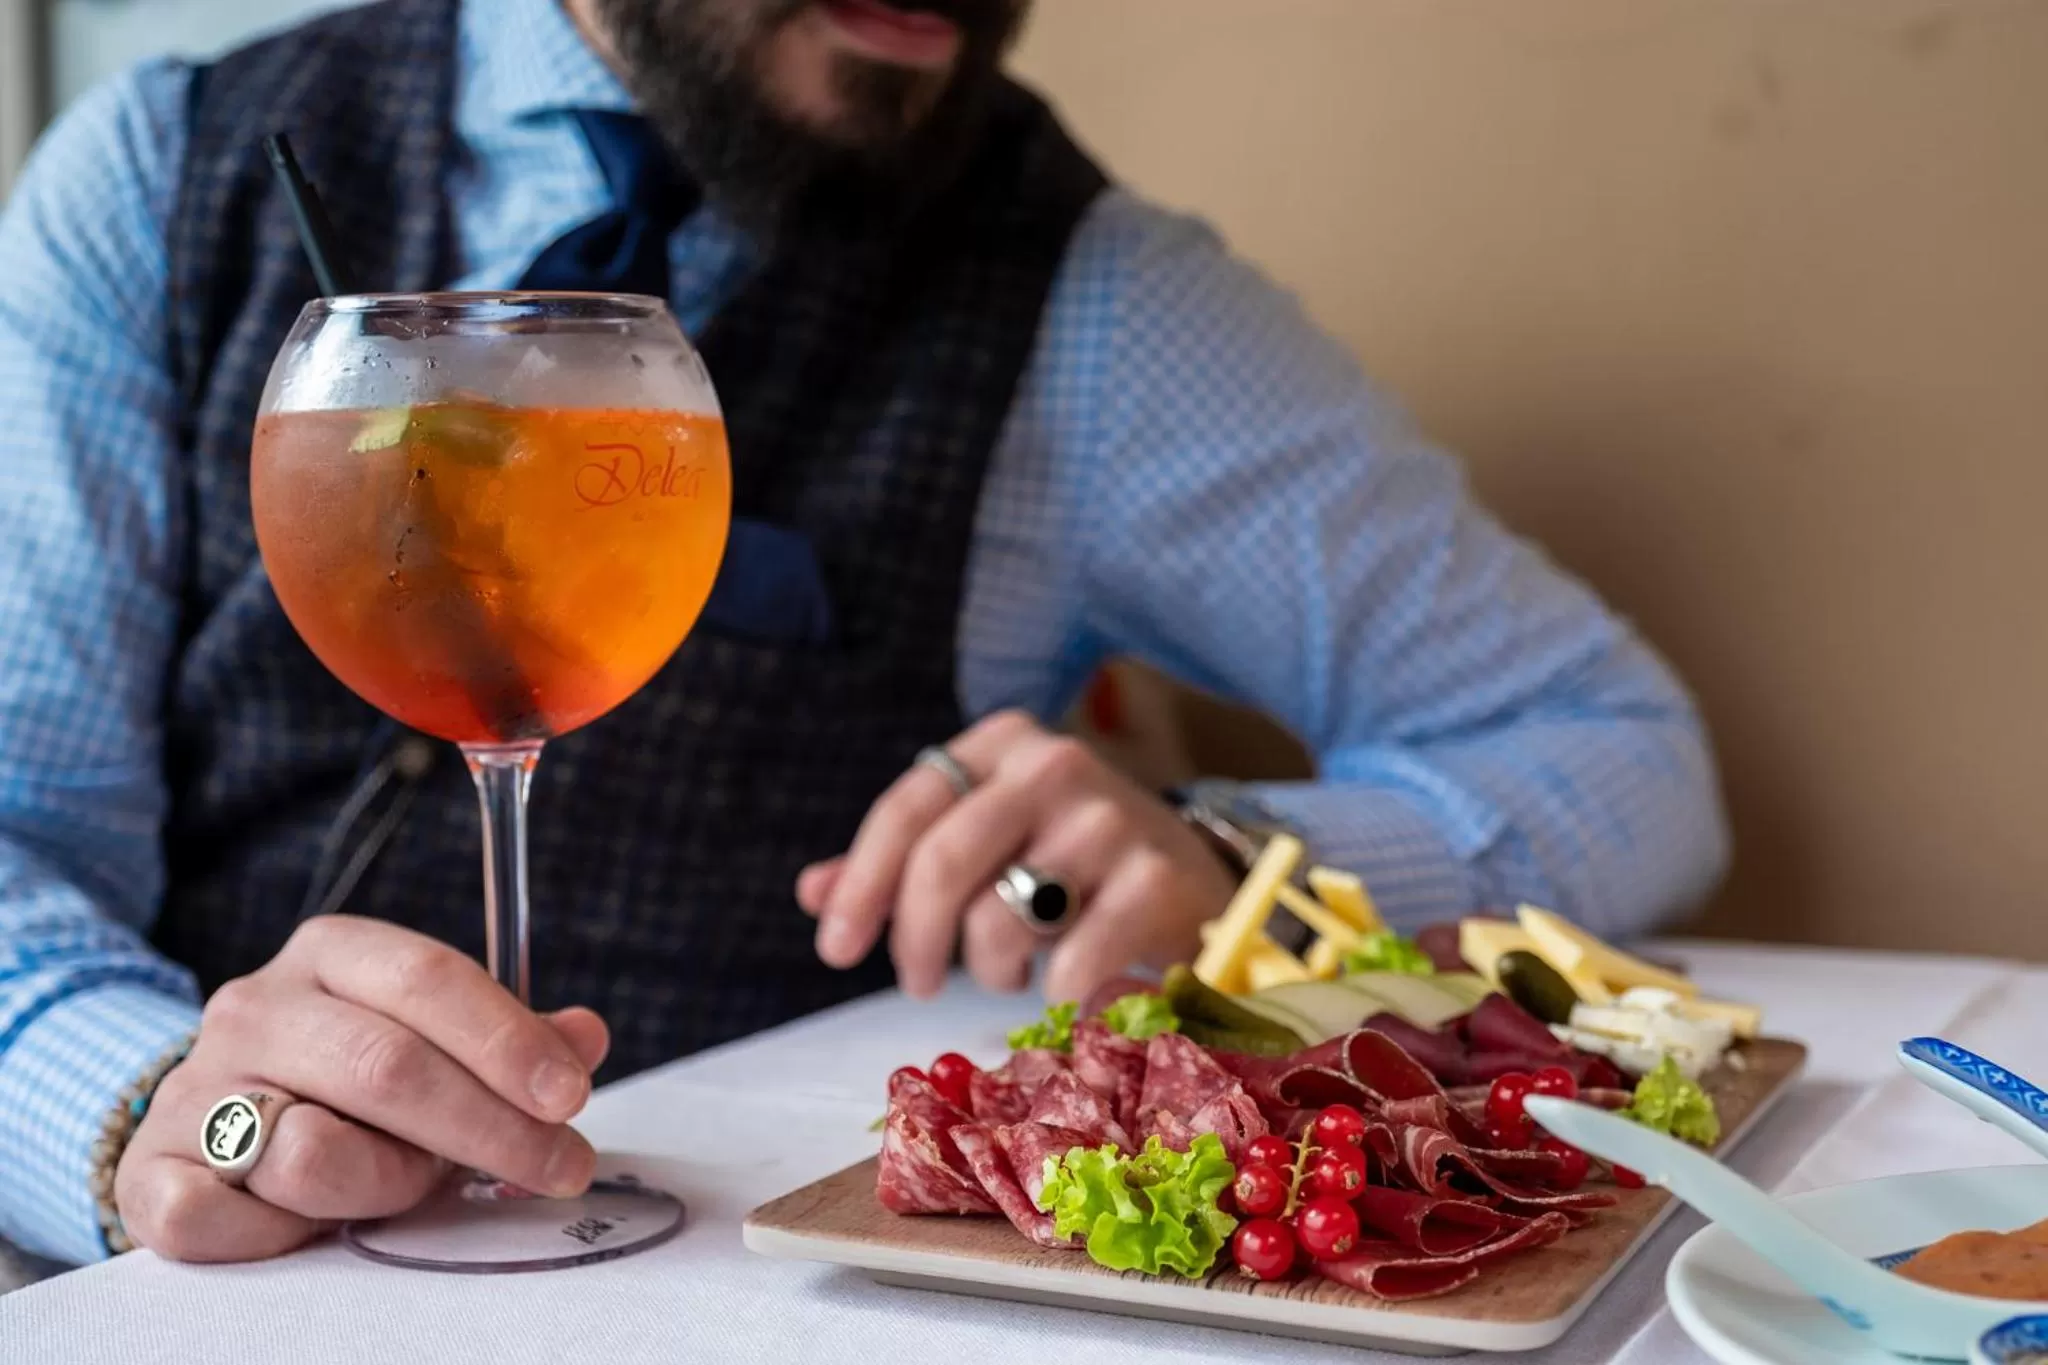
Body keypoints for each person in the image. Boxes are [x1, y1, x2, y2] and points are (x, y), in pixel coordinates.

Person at [0, 0, 1728, 1270]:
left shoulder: (1096, 296)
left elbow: (1626, 754)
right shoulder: (155, 182)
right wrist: (143, 1102)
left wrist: (1230, 860)